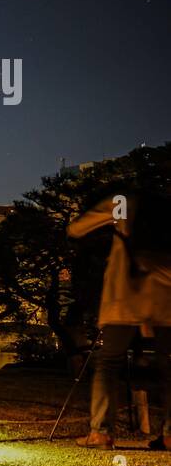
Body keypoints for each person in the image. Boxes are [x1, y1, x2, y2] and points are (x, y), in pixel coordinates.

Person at [68, 189, 171, 448]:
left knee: (108, 363)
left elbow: (77, 229)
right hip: (165, 299)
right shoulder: (166, 208)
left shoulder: (126, 202)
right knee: (169, 367)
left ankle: (101, 431)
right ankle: (170, 434)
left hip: (124, 295)